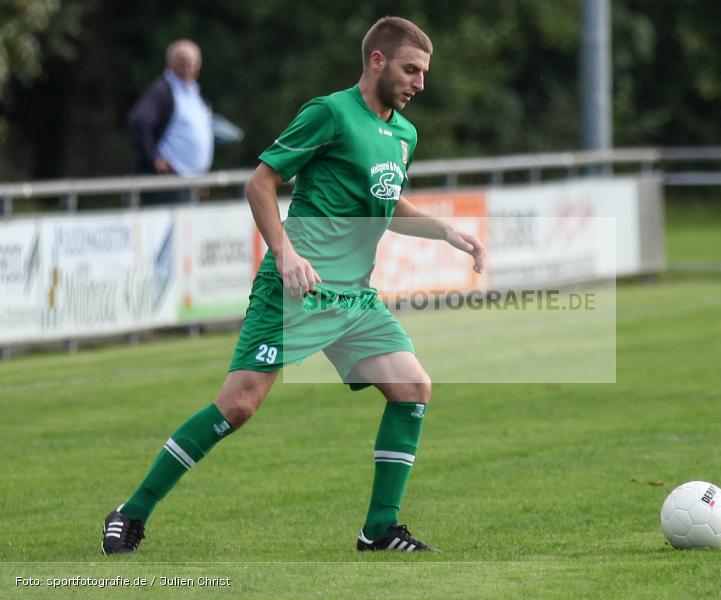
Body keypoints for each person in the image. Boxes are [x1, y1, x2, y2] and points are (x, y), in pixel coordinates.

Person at [102, 16, 485, 554]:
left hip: (352, 296)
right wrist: (285, 253)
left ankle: (379, 530)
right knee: (237, 406)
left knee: (413, 389)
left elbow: (385, 200)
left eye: (423, 73)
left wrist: (444, 230)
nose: (419, 82)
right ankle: (130, 513)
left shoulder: (403, 134)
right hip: (296, 290)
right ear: (377, 61)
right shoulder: (329, 112)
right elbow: (260, 181)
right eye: (410, 69)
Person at [127, 39, 214, 205]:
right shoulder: (162, 90)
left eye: (192, 64)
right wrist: (153, 157)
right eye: (182, 63)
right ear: (171, 64)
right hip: (169, 184)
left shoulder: (197, 92)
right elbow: (139, 121)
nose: (187, 68)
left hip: (194, 184)